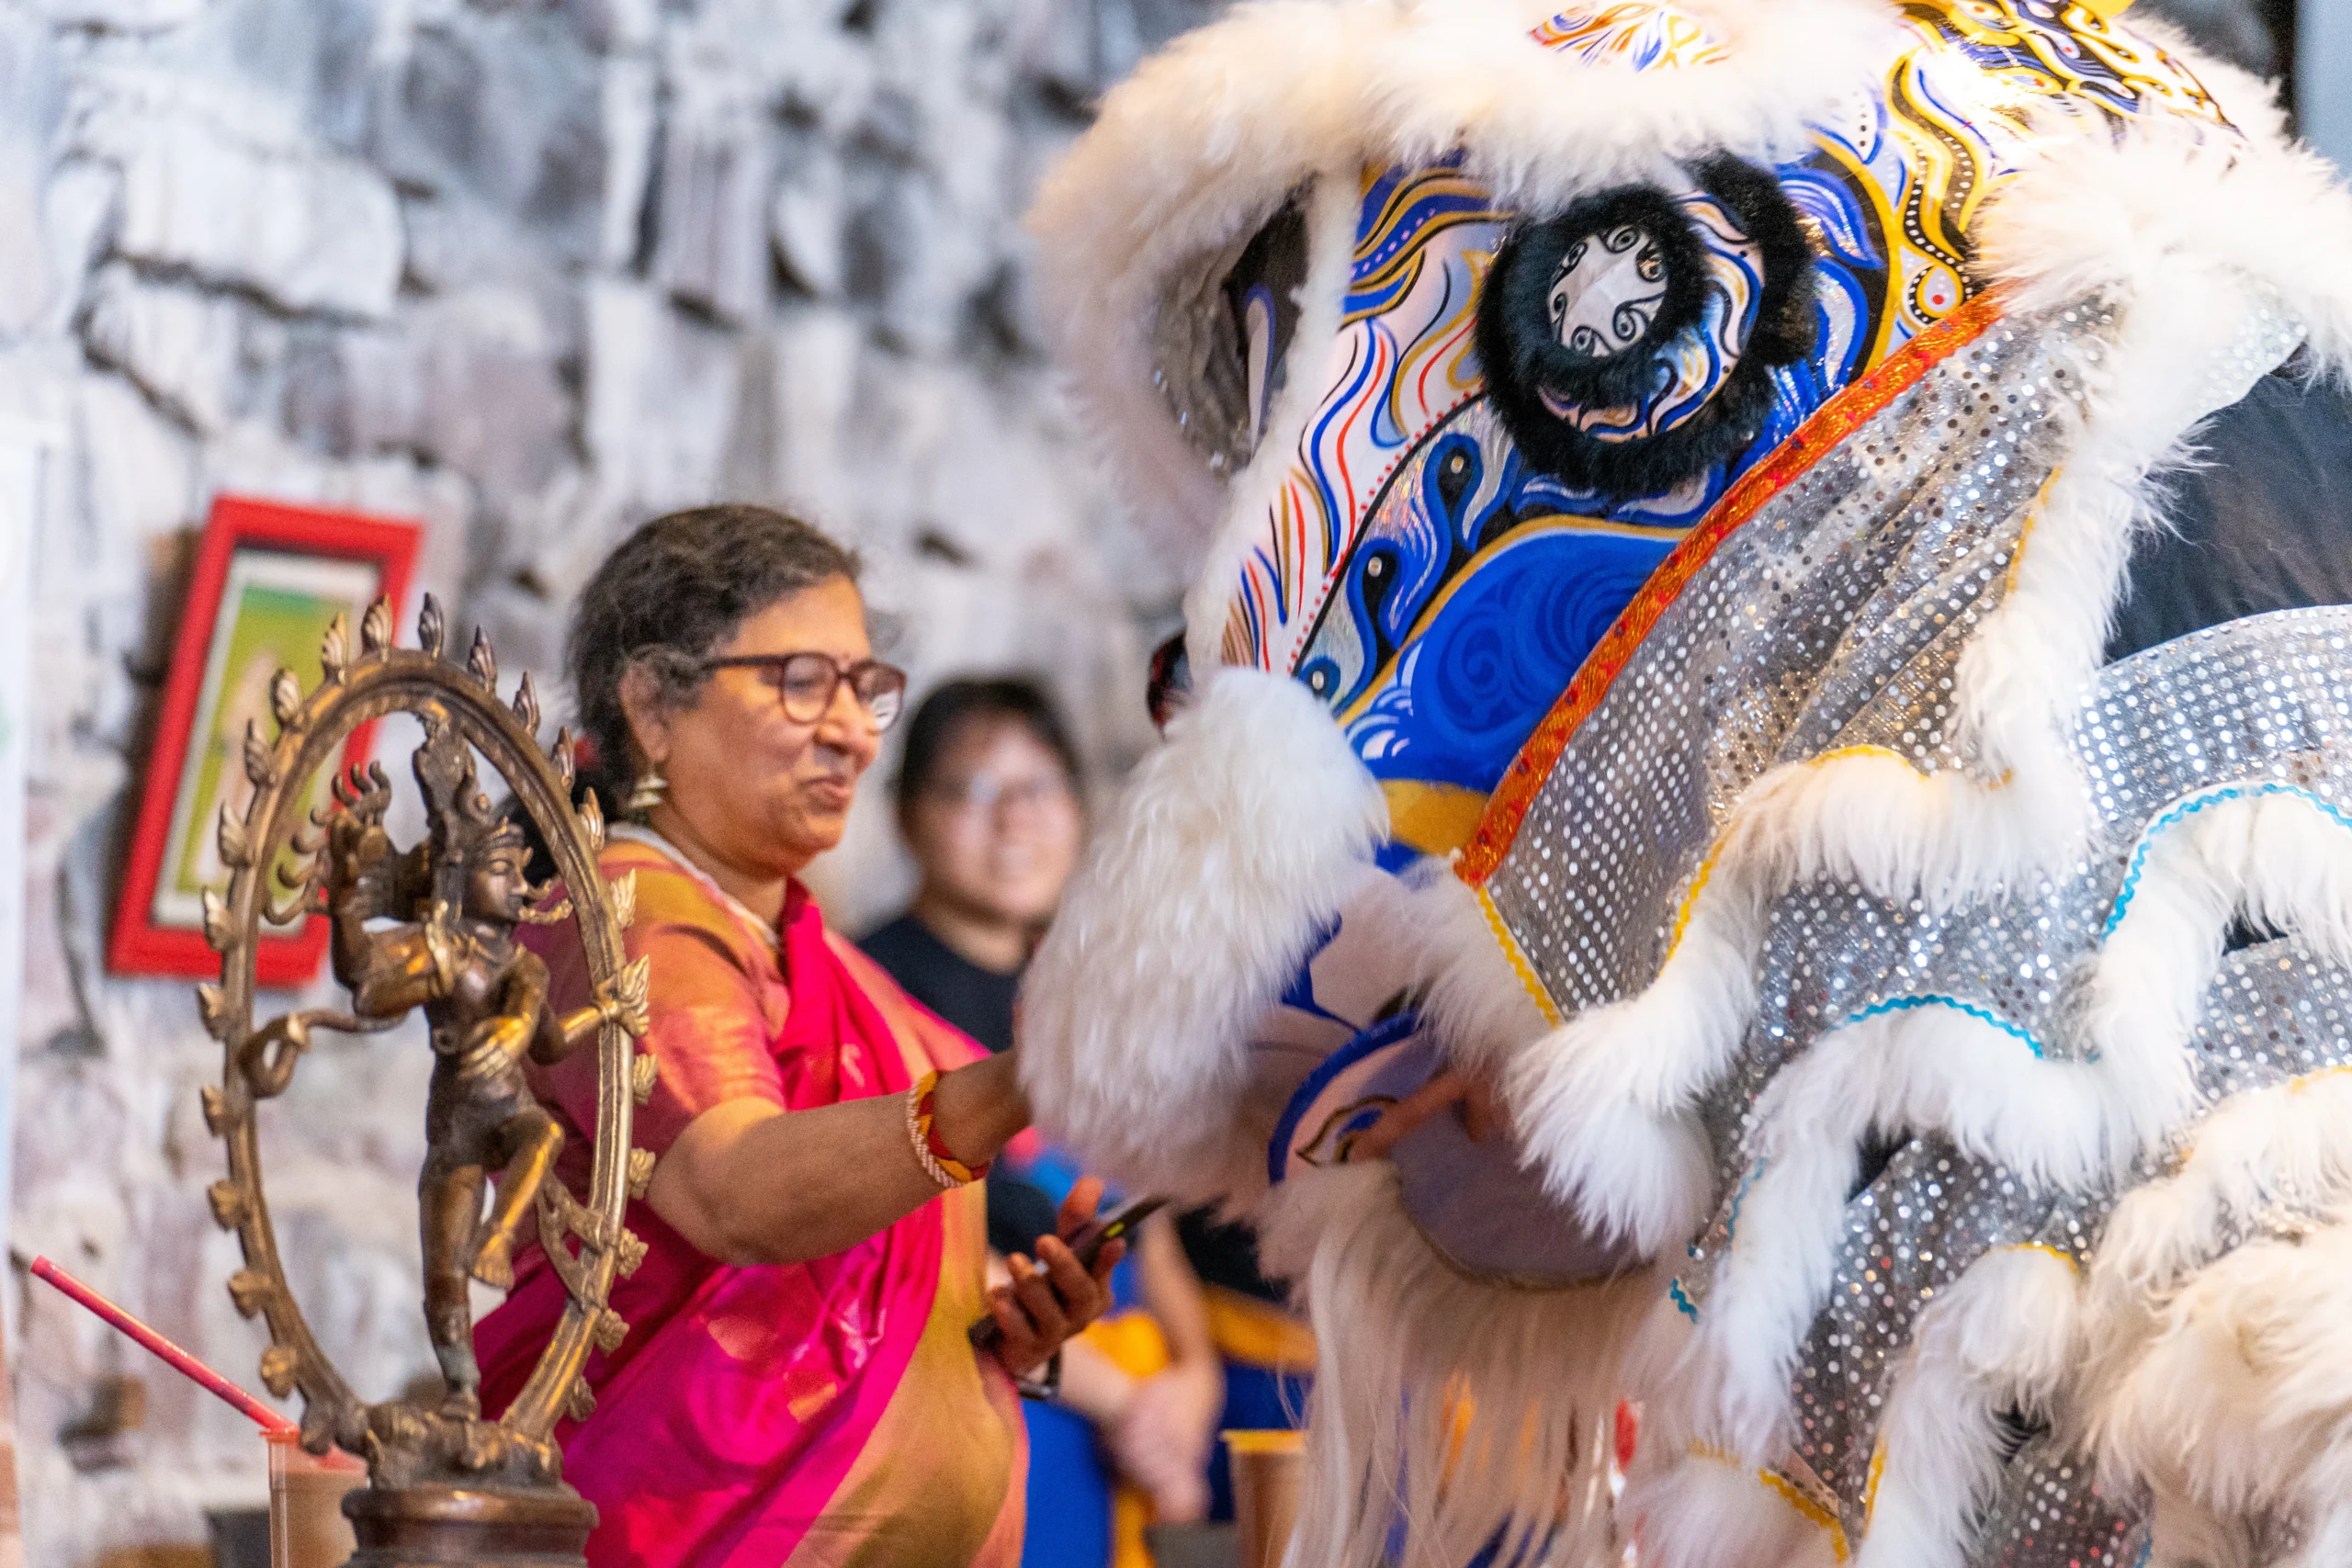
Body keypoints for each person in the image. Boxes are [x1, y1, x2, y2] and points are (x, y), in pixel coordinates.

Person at [471, 505, 1121, 1567]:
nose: (856, 731)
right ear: (653, 705)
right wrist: (1017, 1081)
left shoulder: (821, 961)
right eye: (803, 683)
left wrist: (994, 1315)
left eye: (866, 690)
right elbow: (736, 1192)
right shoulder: (628, 921)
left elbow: (822, 1295)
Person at [863, 680, 1227, 1568]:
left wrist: (1193, 1378)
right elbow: (903, 1252)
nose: (1014, 818)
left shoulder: (1099, 992)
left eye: (1038, 786)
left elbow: (1155, 1226)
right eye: (973, 790)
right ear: (908, 818)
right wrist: (1120, 1399)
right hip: (991, 1413)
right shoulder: (871, 992)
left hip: (1136, 1423)